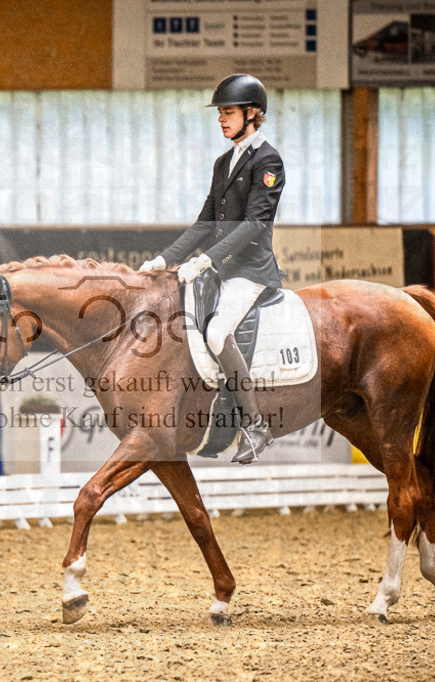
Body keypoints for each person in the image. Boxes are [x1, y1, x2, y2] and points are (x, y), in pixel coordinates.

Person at [140, 73, 285, 464]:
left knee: (218, 330)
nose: (221, 119)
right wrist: (164, 259)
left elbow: (255, 224)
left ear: (253, 114)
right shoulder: (224, 162)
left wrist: (205, 260)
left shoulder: (268, 161)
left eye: (228, 112)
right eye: (220, 113)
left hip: (251, 270)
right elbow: (205, 222)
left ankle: (255, 427)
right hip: (221, 270)